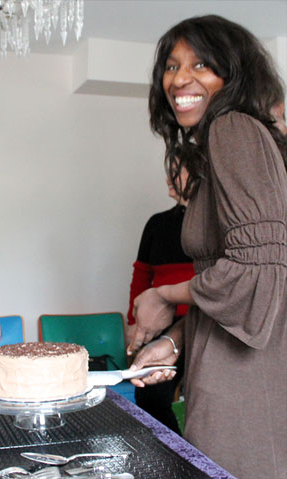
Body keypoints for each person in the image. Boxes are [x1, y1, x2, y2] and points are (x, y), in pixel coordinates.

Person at [126, 15, 287, 479]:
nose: (179, 79)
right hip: (227, 362)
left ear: (234, 74)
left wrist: (162, 295)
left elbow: (254, 272)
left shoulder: (233, 128)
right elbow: (240, 283)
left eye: (201, 64)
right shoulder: (238, 141)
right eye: (171, 66)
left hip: (247, 379)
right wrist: (173, 343)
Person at [125, 167, 194, 433]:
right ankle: (175, 448)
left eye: (177, 171)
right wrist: (134, 323)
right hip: (162, 325)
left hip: (204, 323)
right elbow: (141, 278)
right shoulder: (157, 224)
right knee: (149, 393)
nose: (168, 178)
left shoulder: (213, 225)